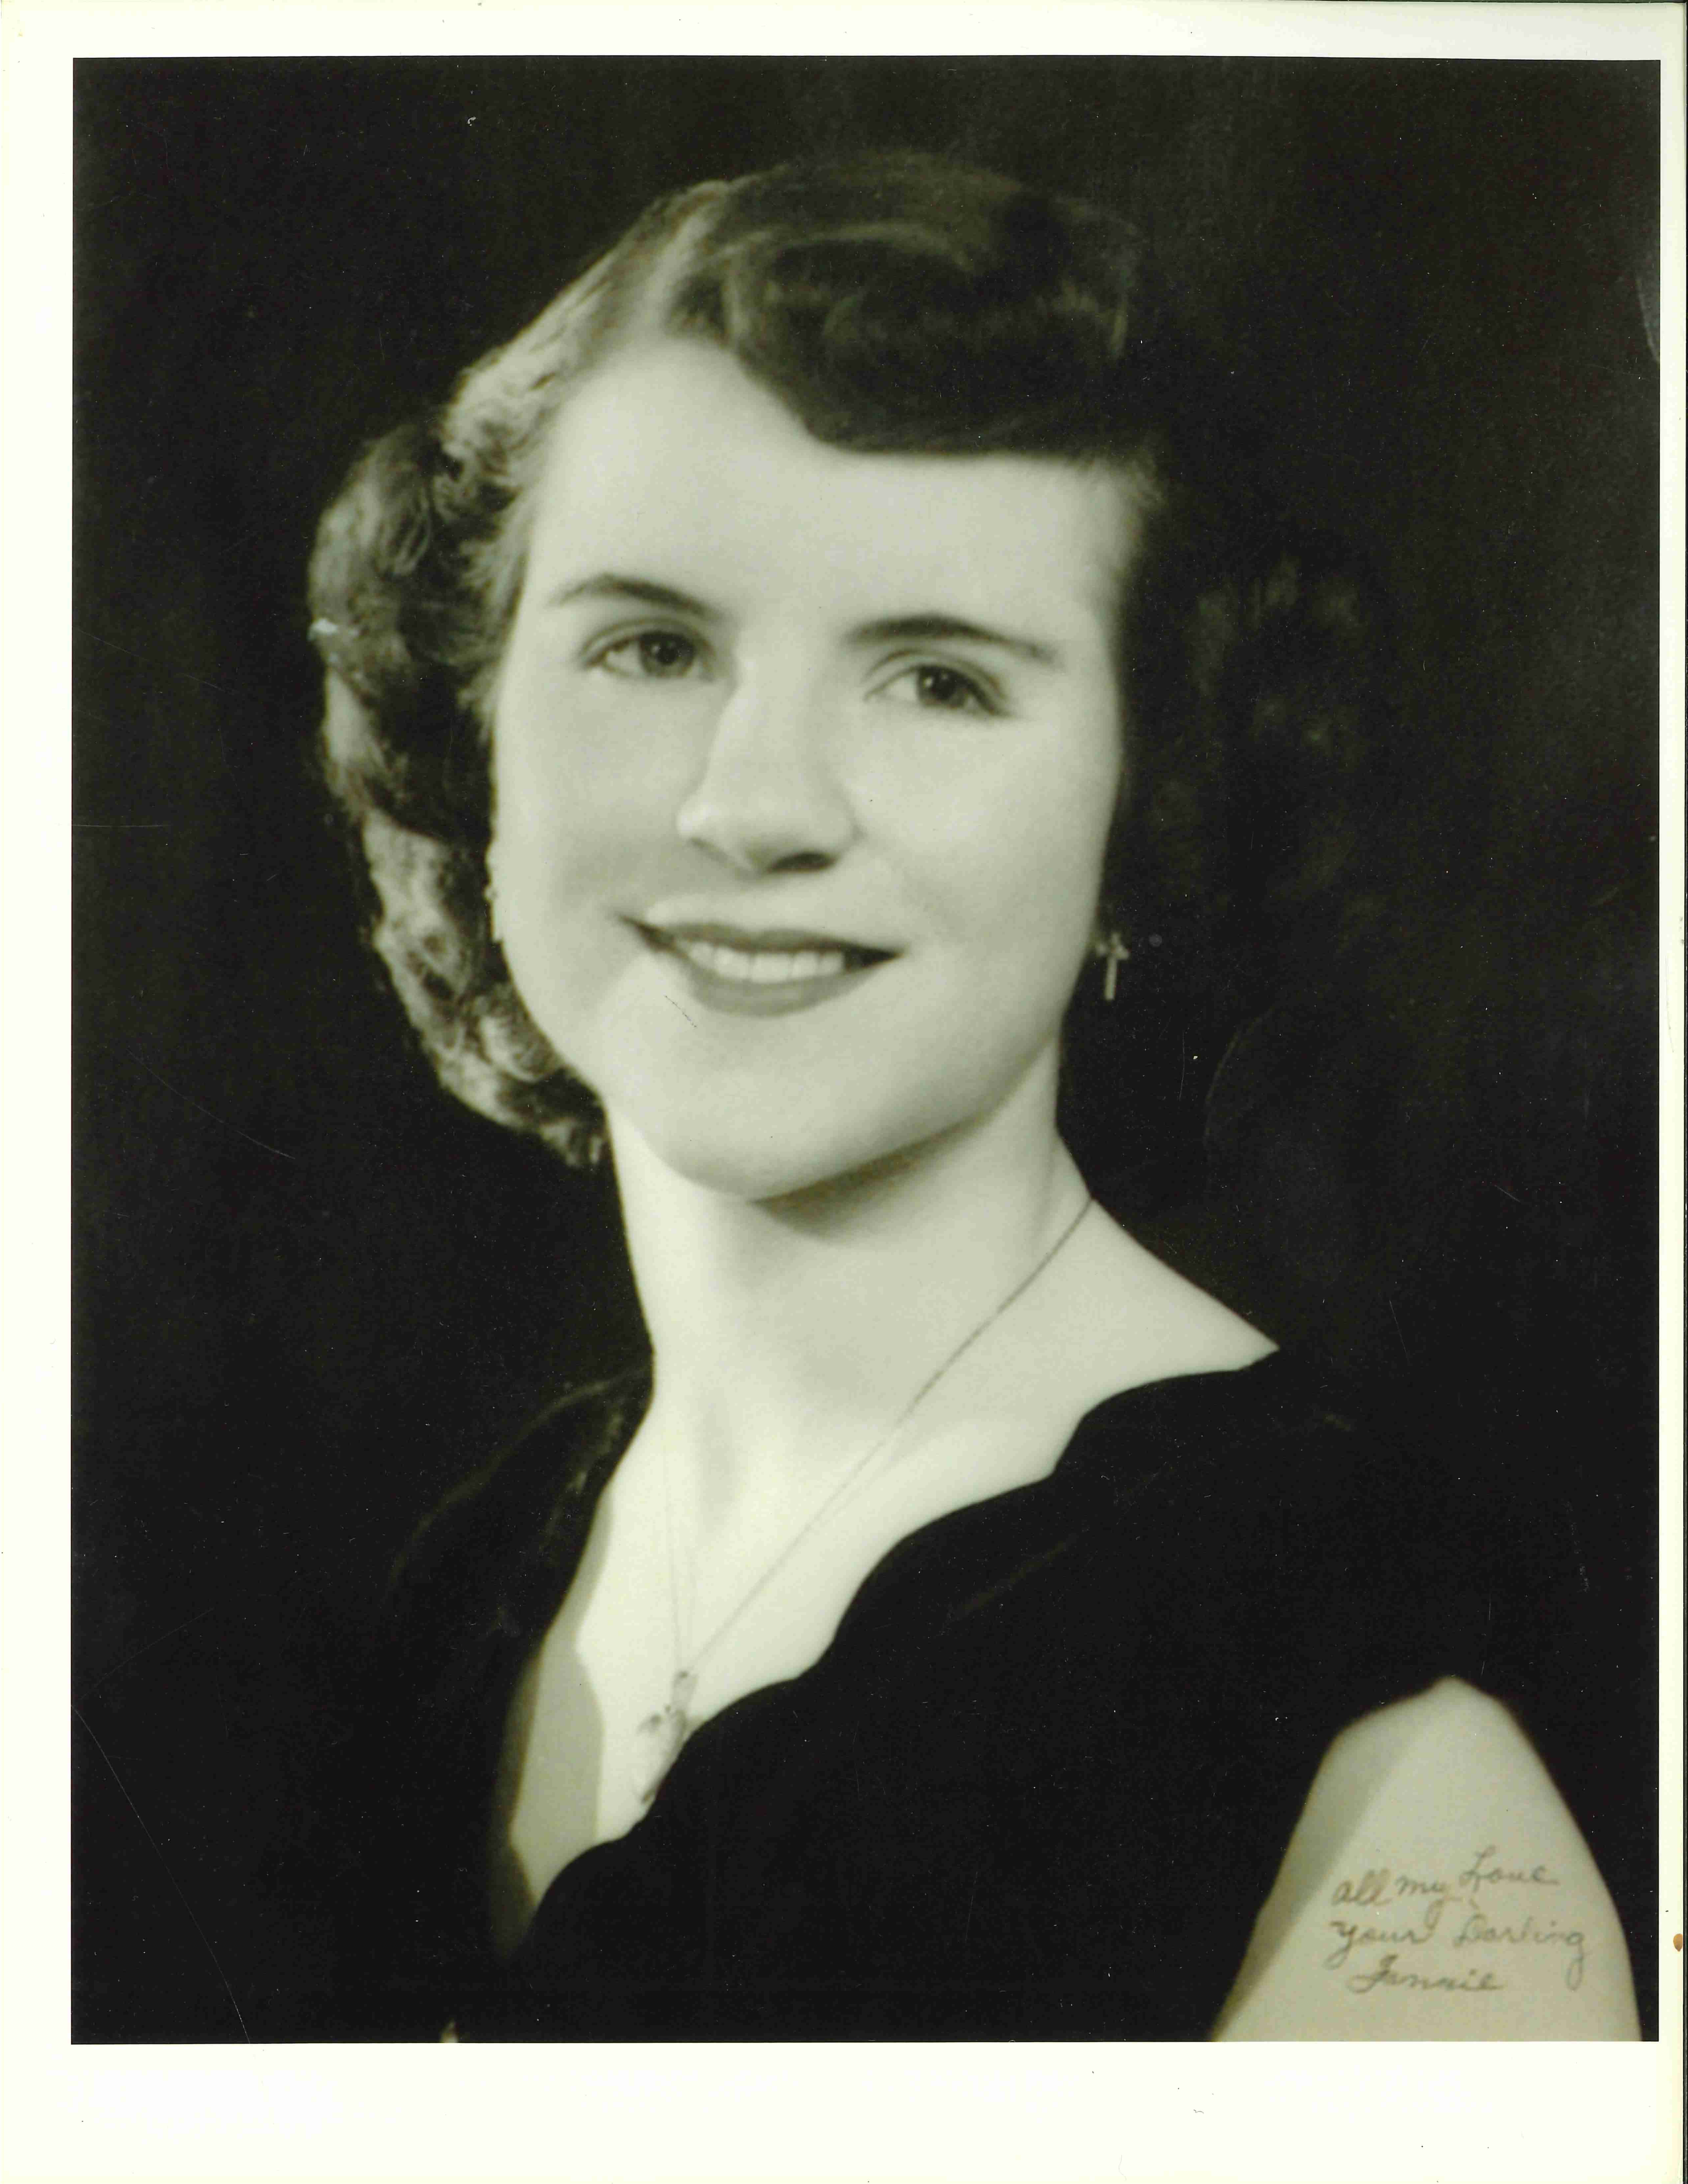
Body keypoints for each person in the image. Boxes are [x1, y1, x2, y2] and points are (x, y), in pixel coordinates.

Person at [303, 151, 1638, 2039]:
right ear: (478, 732)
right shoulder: (473, 1590)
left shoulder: (1364, 1754)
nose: (754, 805)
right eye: (652, 646)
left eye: (937, 681)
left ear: (1150, 806)